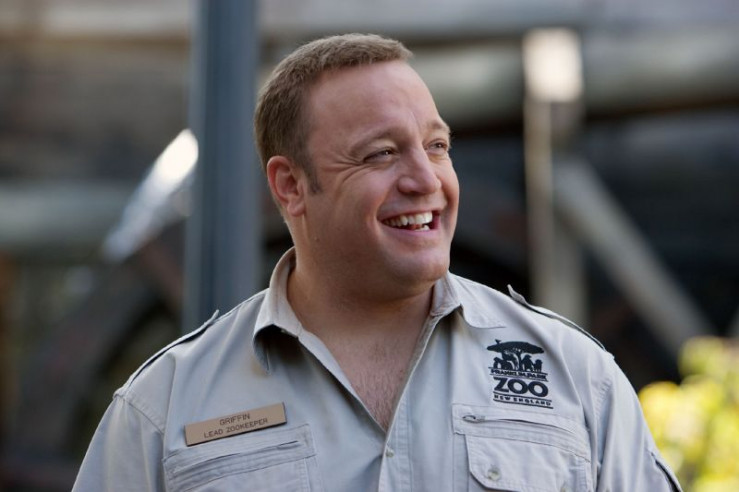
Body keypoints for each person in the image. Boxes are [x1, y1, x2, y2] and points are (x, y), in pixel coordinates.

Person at [73, 33, 681, 491]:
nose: (426, 180)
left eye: (437, 146)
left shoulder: (576, 376)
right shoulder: (162, 409)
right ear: (290, 186)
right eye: (381, 154)